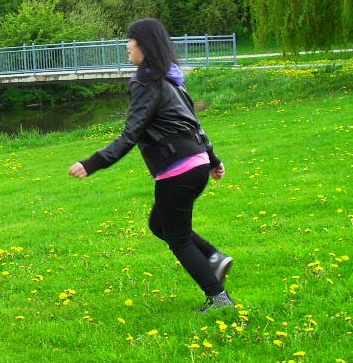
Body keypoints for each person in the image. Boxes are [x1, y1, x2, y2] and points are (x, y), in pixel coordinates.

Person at [68, 18, 235, 313]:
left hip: (178, 168)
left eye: (130, 40)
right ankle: (213, 257)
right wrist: (212, 159)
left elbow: (130, 133)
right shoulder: (172, 79)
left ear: (143, 45)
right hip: (195, 164)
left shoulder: (146, 82)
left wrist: (92, 163)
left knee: (178, 238)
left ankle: (220, 298)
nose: (127, 45)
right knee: (160, 224)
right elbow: (195, 124)